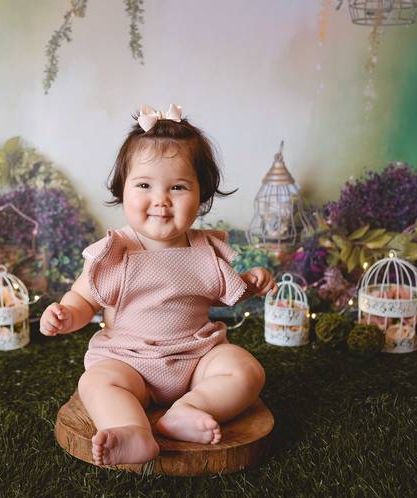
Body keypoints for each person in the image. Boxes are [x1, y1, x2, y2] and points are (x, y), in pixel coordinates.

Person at [40, 104, 275, 466]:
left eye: (178, 187)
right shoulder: (116, 251)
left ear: (202, 195)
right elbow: (83, 299)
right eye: (144, 185)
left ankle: (190, 409)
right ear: (123, 189)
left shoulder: (204, 249)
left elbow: (220, 293)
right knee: (97, 382)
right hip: (129, 362)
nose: (161, 200)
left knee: (246, 369)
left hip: (196, 358)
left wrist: (249, 284)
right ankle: (131, 430)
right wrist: (67, 314)